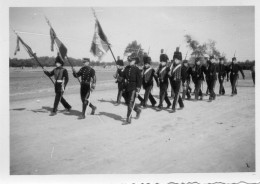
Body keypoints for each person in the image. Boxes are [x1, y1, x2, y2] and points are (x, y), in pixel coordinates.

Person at [121, 55, 142, 125]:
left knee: (130, 102)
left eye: (131, 61)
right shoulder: (126, 68)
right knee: (128, 102)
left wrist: (137, 90)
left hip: (133, 87)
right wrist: (119, 71)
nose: (129, 62)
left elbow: (139, 81)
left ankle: (128, 119)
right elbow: (122, 76)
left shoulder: (137, 69)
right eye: (129, 61)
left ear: (134, 61)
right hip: (127, 87)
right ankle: (138, 110)